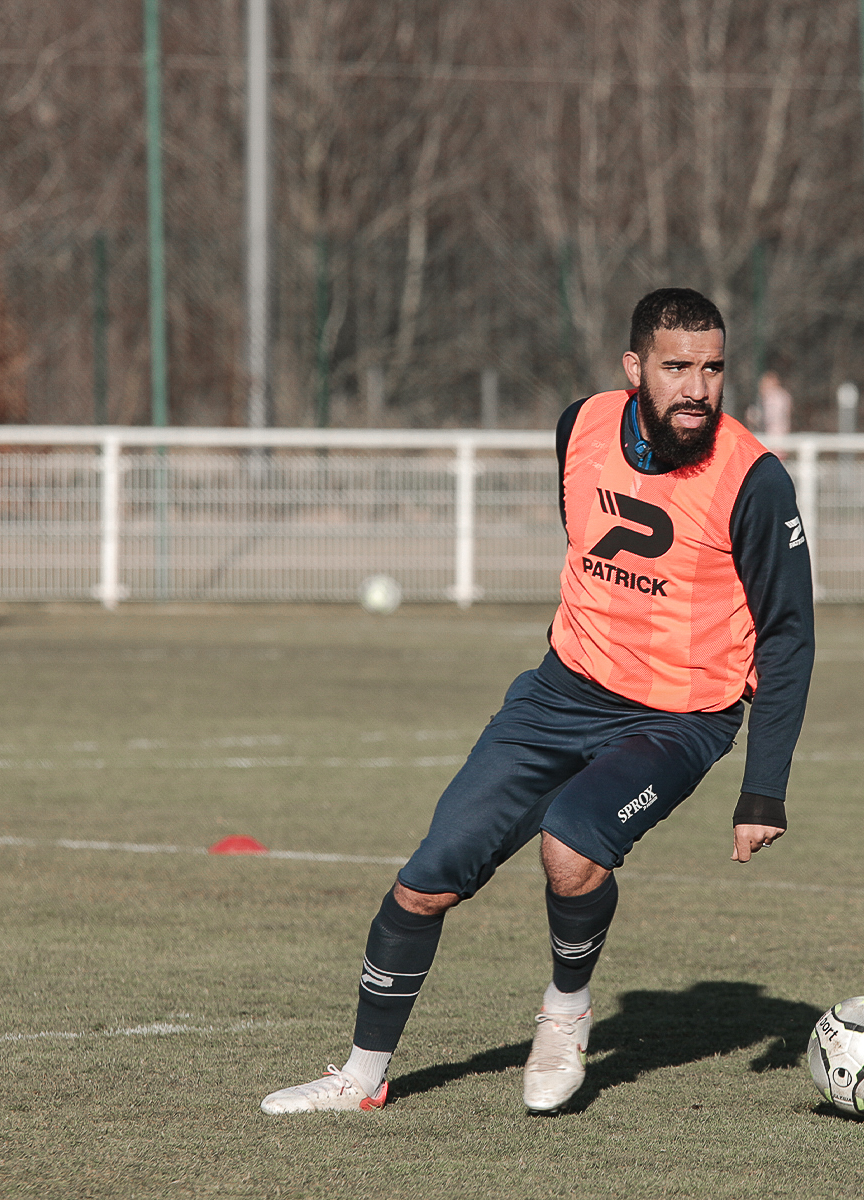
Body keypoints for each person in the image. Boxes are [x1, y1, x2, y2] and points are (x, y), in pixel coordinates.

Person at [261, 287, 815, 1115]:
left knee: (571, 847)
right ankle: (360, 1078)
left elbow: (789, 635)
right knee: (423, 885)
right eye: (676, 368)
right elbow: (583, 537)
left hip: (677, 718)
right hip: (557, 694)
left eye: (713, 368)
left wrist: (763, 786)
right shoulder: (580, 426)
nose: (698, 387)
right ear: (635, 370)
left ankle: (564, 1015)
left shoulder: (755, 479)